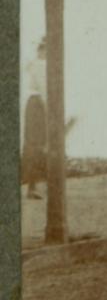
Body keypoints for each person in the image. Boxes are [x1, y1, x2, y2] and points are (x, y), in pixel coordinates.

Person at [21, 39, 47, 200]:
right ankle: (32, 186)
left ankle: (33, 185)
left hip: (33, 103)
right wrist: (48, 110)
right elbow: (43, 88)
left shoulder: (35, 65)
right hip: (37, 103)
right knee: (36, 144)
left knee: (33, 144)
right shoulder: (39, 65)